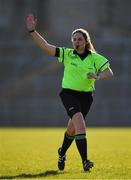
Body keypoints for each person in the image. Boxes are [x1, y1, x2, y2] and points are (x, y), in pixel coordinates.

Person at [26, 14, 113, 172]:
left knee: (72, 129)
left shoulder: (95, 58)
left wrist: (97, 76)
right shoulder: (67, 53)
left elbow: (109, 73)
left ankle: (62, 153)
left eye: (79, 39)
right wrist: (32, 31)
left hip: (86, 97)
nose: (76, 41)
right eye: (74, 39)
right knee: (80, 125)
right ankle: (85, 162)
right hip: (69, 94)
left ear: (86, 41)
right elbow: (46, 46)